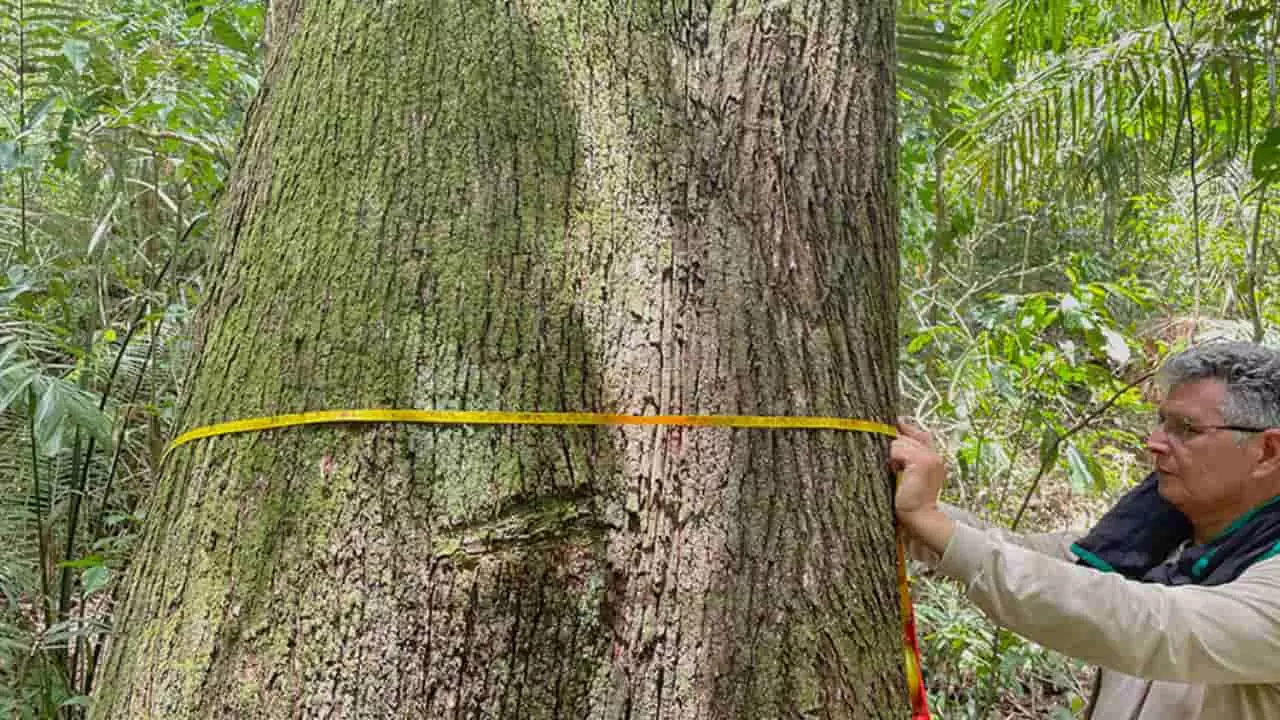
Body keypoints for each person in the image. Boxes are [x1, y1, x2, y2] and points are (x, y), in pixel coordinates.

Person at [891, 341, 1280, 719]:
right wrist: (914, 507)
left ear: (1267, 452)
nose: (1154, 442)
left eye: (1187, 429)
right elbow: (1030, 559)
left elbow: (1148, 624)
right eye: (1162, 421)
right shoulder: (1160, 538)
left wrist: (930, 519)